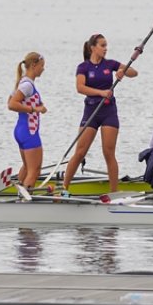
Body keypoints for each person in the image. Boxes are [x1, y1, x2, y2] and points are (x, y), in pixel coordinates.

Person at [63, 33, 137, 192]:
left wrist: (123, 72)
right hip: (91, 112)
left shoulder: (110, 64)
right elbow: (80, 88)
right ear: (92, 48)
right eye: (102, 45)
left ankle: (114, 192)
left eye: (106, 45)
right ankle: (64, 188)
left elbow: (134, 72)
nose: (105, 48)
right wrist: (101, 93)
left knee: (108, 152)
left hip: (108, 112)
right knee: (80, 152)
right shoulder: (83, 67)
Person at [7, 52, 48, 189]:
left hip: (22, 130)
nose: (43, 69)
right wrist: (35, 109)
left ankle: (18, 196)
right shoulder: (27, 85)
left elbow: (10, 101)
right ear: (34, 65)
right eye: (42, 66)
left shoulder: (22, 82)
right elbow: (12, 104)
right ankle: (24, 203)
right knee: (34, 171)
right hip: (29, 132)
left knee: (27, 167)